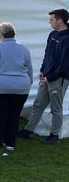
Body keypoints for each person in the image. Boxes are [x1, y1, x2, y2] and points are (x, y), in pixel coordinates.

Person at [19, 8, 69, 144]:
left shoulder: (67, 38)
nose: (50, 22)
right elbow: (47, 55)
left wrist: (51, 77)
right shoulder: (52, 34)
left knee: (56, 108)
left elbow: (65, 64)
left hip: (58, 79)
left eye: (52, 20)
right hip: (46, 76)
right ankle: (28, 131)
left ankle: (54, 136)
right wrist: (43, 70)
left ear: (60, 20)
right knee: (38, 104)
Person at [0, 22, 33, 151]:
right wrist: (28, 82)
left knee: (0, 115)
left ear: (0, 34)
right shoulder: (24, 49)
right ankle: (10, 142)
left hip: (1, 87)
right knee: (14, 115)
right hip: (21, 86)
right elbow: (30, 69)